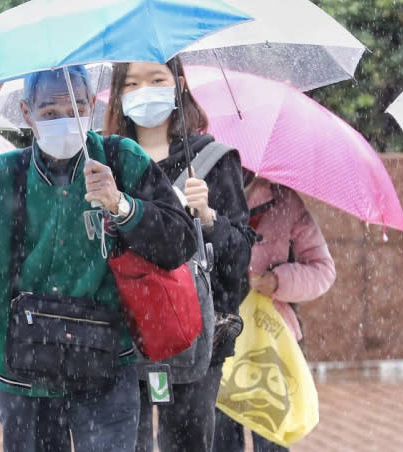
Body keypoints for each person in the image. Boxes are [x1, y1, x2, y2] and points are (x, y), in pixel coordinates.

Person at [0, 65, 198, 452]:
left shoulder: (123, 160)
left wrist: (122, 206)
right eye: (50, 113)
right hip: (22, 378)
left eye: (75, 108)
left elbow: (180, 243)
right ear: (26, 111)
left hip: (107, 367)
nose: (65, 121)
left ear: (91, 106)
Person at [105, 58, 255, 452]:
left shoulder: (213, 159)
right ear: (118, 96)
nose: (144, 92)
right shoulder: (107, 164)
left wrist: (208, 217)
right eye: (132, 84)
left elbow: (239, 261)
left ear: (179, 85)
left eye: (157, 80)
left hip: (195, 335)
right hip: (123, 331)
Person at [213, 174, 336, 452]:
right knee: (220, 440)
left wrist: (279, 281)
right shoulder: (205, 191)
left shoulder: (285, 202)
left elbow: (323, 269)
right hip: (219, 336)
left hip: (271, 341)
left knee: (270, 441)